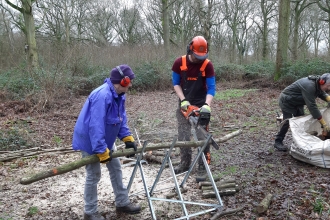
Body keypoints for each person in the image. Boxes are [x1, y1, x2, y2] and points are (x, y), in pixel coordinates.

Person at [72, 64, 141, 220]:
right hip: (90, 140)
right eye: (129, 81)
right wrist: (101, 150)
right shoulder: (102, 95)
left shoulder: (119, 94)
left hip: (105, 138)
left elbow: (120, 118)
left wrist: (127, 137)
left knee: (116, 168)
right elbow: (95, 125)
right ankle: (89, 212)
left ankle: (122, 202)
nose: (130, 85)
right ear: (122, 81)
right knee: (94, 174)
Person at [171, 36, 216, 182]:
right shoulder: (179, 62)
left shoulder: (207, 65)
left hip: (201, 103)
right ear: (190, 49)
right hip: (184, 102)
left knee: (202, 135)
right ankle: (185, 162)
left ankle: (203, 166)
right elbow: (176, 83)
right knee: (183, 134)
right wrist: (183, 100)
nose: (199, 59)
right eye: (197, 56)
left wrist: (207, 105)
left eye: (202, 56)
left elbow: (212, 87)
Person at [274, 73, 330, 152]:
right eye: (328, 85)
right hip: (287, 101)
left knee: (301, 122)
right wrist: (323, 122)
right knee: (287, 121)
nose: (329, 88)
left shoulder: (318, 85)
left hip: (298, 102)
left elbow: (321, 93)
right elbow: (312, 106)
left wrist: (329, 99)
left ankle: (300, 142)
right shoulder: (309, 86)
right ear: (322, 82)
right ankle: (278, 141)